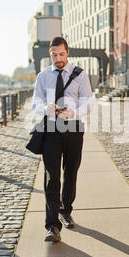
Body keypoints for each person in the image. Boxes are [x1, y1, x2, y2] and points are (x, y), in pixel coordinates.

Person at [32, 37, 94, 242]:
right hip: (50, 129)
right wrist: (45, 108)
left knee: (71, 173)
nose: (58, 59)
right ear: (50, 54)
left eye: (61, 54)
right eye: (54, 55)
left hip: (74, 128)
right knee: (51, 177)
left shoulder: (80, 75)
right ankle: (52, 227)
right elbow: (36, 101)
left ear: (67, 53)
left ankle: (66, 210)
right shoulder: (43, 76)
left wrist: (74, 112)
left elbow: (88, 102)